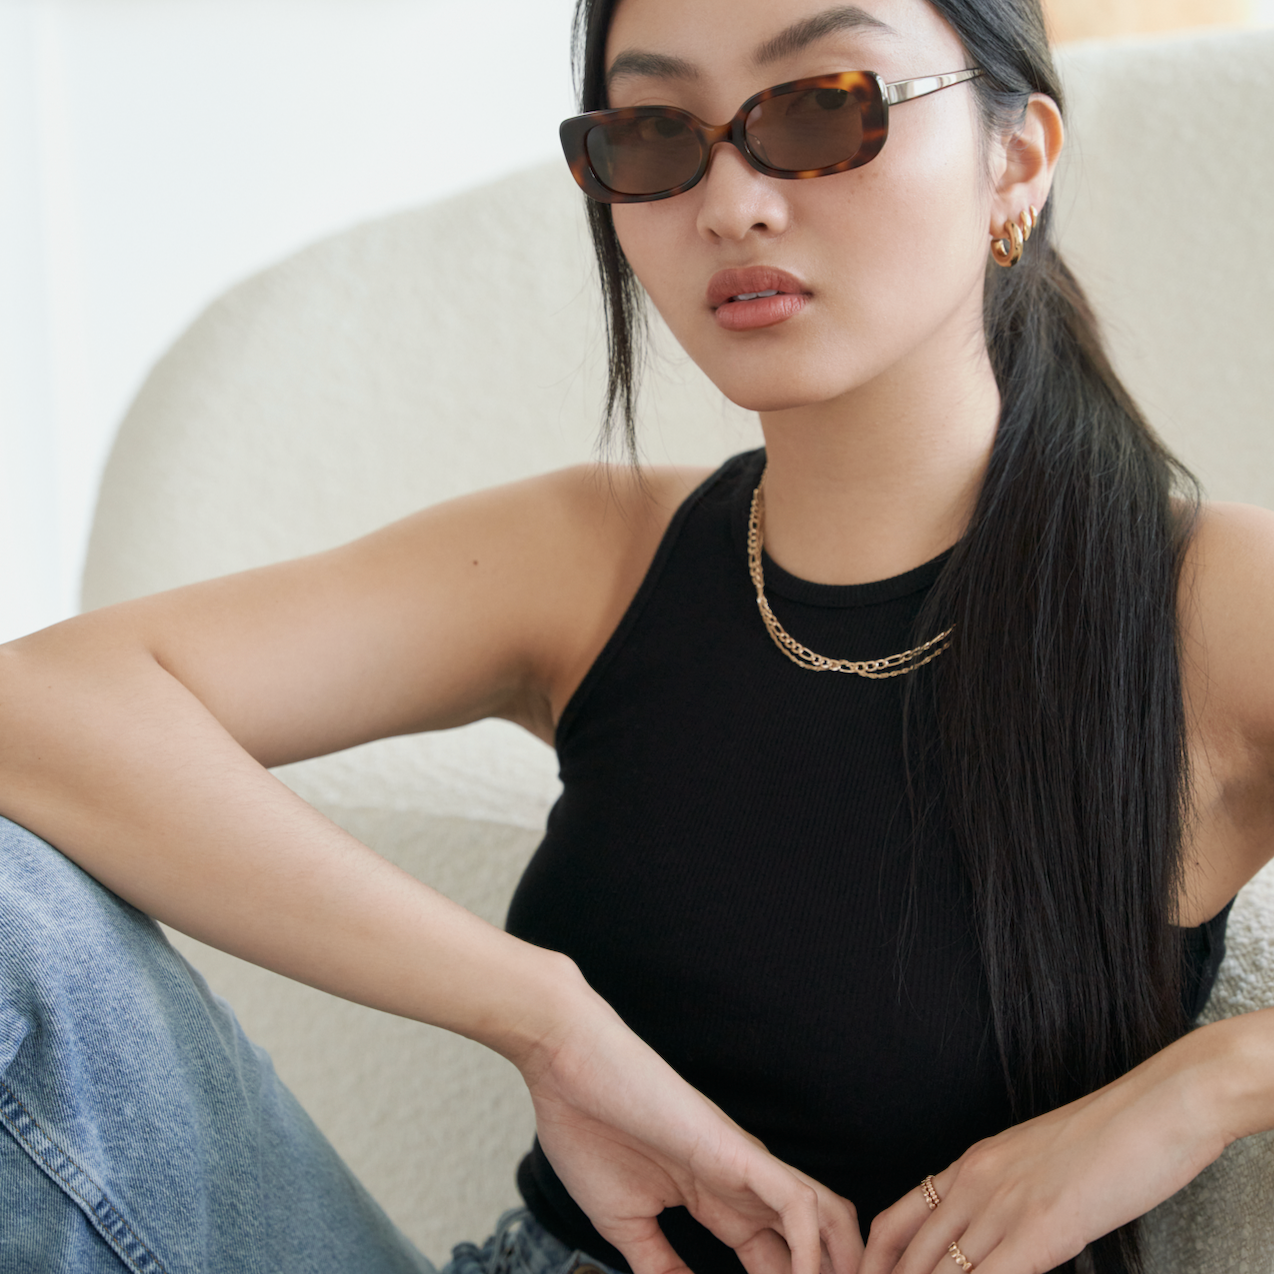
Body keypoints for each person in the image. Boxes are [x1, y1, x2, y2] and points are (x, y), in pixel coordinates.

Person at [2, 0, 1273, 1271]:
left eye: (822, 107)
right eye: (655, 134)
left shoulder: (1204, 597)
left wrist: (1205, 1084)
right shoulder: (592, 555)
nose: (729, 203)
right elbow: (37, 705)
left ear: (1018, 155)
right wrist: (545, 1018)